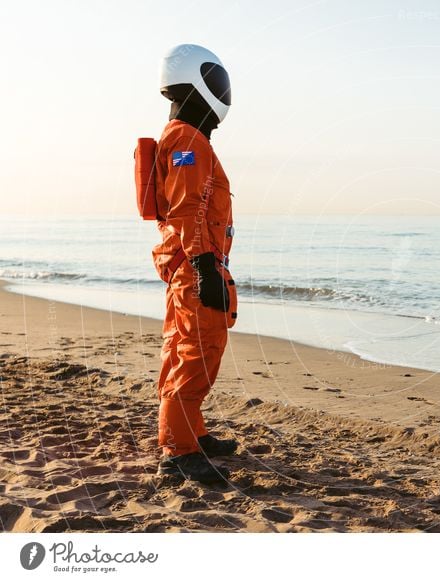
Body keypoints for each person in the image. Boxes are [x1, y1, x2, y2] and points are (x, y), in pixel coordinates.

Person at [151, 44, 238, 484]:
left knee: (181, 350)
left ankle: (191, 432)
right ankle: (180, 451)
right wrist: (206, 268)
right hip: (195, 263)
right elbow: (190, 210)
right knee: (196, 353)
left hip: (185, 262)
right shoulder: (187, 139)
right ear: (198, 84)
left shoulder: (179, 138)